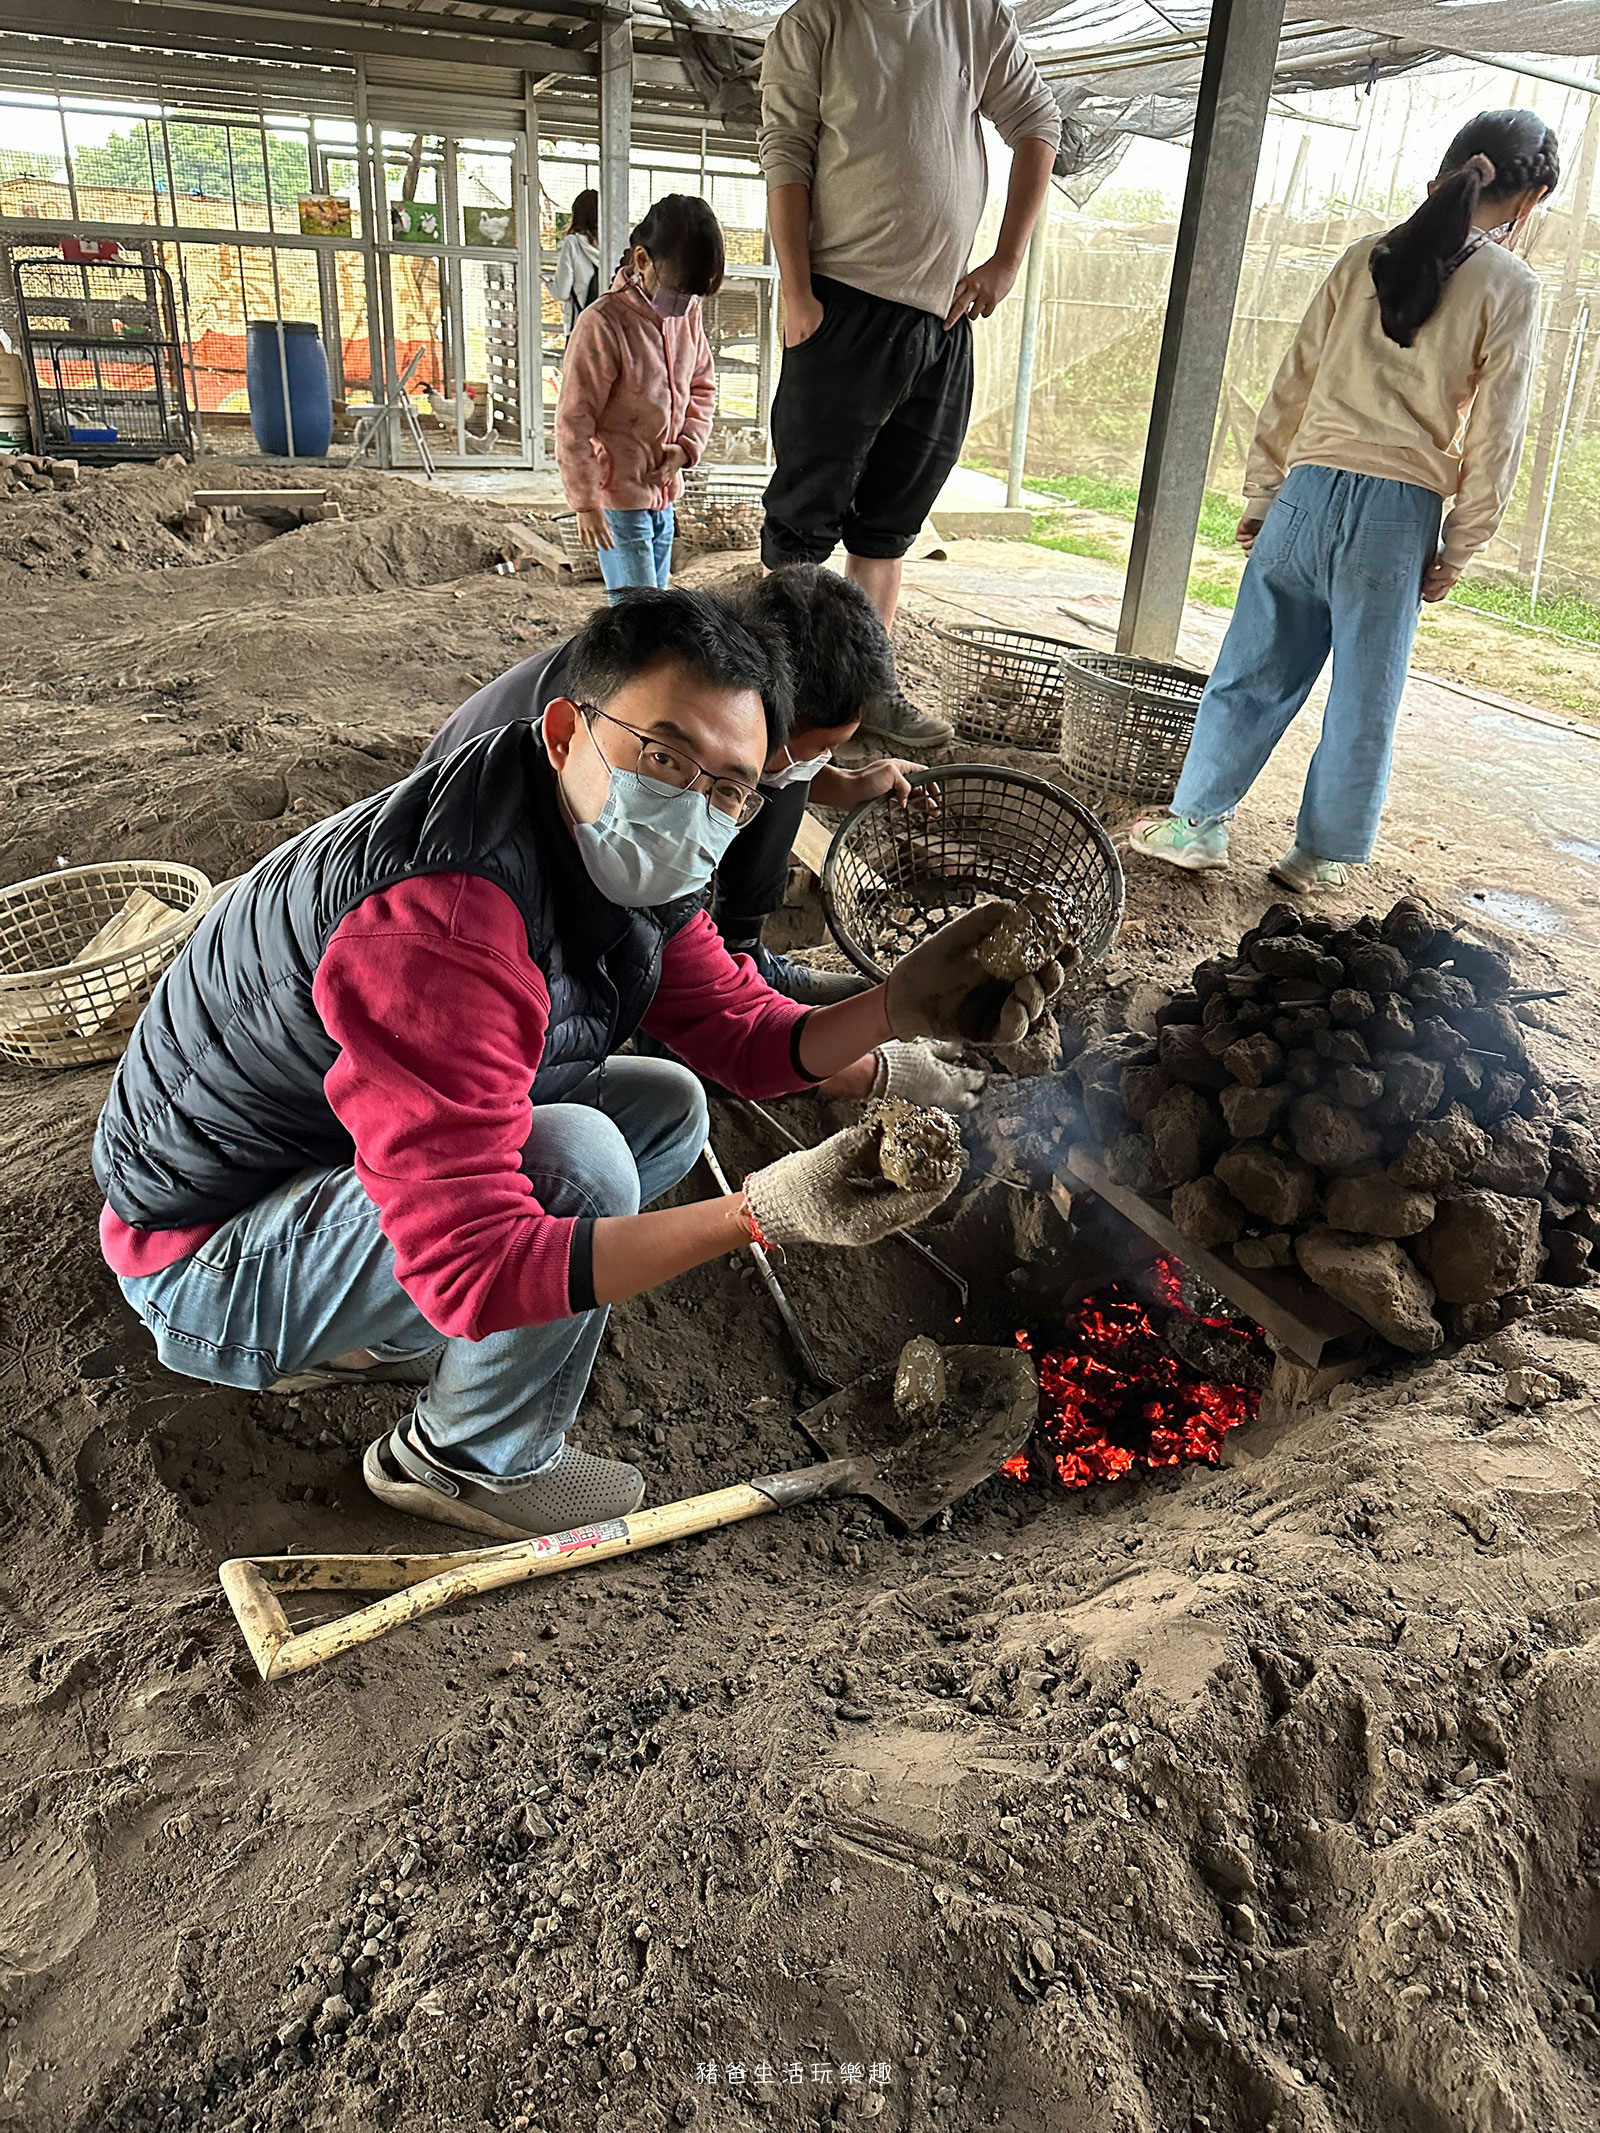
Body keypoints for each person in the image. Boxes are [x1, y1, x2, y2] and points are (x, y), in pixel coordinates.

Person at [93, 590, 1058, 1543]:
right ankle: (464, 1458)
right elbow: (473, 1268)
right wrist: (758, 1213)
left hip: (310, 1170)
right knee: (586, 1162)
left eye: (730, 787)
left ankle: (381, 1334)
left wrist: (893, 1009)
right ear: (566, 730)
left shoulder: (606, 844)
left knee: (668, 1102)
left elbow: (741, 1034)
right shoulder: (446, 924)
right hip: (203, 1257)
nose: (694, 803)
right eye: (664, 756)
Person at [1131, 109, 1559, 896]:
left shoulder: (1366, 255)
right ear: (1528, 204)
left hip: (1308, 488)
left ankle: (1195, 824)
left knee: (1251, 666)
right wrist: (1459, 546)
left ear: (1443, 173)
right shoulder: (1512, 287)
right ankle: (1316, 854)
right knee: (1365, 694)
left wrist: (1266, 490)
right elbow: (1498, 436)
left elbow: (1293, 378)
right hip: (1398, 516)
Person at [420, 567, 963, 1026]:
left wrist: (843, 784)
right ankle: (681, 987)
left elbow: (772, 766)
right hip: (485, 849)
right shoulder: (617, 736)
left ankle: (738, 956)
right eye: (817, 749)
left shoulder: (709, 696)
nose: (817, 763)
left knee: (771, 786)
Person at [757, 0, 1062, 749]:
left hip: (944, 317)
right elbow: (787, 155)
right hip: (841, 306)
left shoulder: (969, 13)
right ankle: (778, 694)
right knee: (801, 528)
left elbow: (1037, 123)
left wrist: (1007, 260)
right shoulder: (816, 24)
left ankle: (868, 693)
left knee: (887, 528)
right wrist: (798, 293)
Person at [555, 193, 721, 602]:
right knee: (639, 614)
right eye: (678, 292)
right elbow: (574, 420)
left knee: (655, 606)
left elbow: (702, 386)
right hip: (618, 498)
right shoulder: (603, 325)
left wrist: (685, 449)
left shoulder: (688, 317)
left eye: (693, 297)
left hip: (663, 492)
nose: (683, 306)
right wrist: (586, 502)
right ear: (642, 261)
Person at [551, 187, 601, 340]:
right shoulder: (615, 244)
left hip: (580, 329)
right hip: (609, 329)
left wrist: (550, 284)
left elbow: (562, 291)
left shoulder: (572, 243)